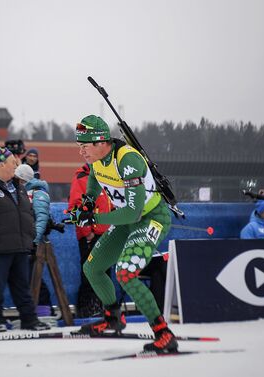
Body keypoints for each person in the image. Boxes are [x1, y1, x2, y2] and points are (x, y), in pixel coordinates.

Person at [67, 115, 178, 353]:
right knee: (92, 268)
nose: (81, 152)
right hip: (127, 221)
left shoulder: (127, 160)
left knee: (125, 273)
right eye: (79, 147)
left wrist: (94, 218)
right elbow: (96, 181)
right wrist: (87, 203)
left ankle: (164, 333)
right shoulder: (97, 161)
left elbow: (132, 213)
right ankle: (113, 317)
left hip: (150, 218)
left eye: (84, 146)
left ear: (100, 143)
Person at [0, 147, 50, 332]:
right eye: (13, 162)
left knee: (23, 289)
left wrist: (29, 238)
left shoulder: (18, 187)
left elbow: (27, 214)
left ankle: (30, 320)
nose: (17, 165)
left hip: (20, 247)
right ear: (1, 164)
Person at [68, 163, 112, 318]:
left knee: (105, 272)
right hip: (92, 235)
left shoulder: (106, 177)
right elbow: (76, 206)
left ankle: (104, 307)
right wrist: (87, 232)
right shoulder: (81, 179)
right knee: (90, 273)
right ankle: (87, 308)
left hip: (106, 234)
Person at [14, 164, 53, 316]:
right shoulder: (21, 191)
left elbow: (41, 218)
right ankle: (36, 309)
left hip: (34, 243)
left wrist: (34, 241)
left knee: (33, 276)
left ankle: (44, 308)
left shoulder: (38, 193)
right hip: (23, 242)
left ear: (22, 179)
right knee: (26, 276)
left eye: (17, 178)